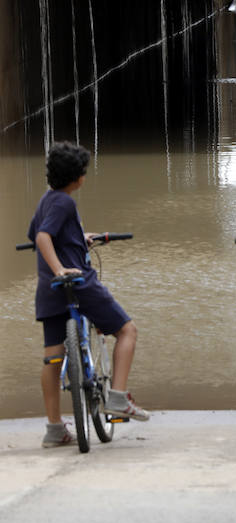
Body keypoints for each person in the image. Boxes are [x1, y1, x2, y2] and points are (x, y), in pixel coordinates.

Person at [28, 142, 150, 448]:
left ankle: (55, 430)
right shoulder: (66, 203)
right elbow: (44, 236)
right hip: (76, 282)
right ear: (77, 178)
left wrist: (75, 238)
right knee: (127, 330)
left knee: (52, 360)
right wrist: (61, 268)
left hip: (48, 291)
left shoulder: (47, 199)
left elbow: (38, 232)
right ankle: (118, 399)